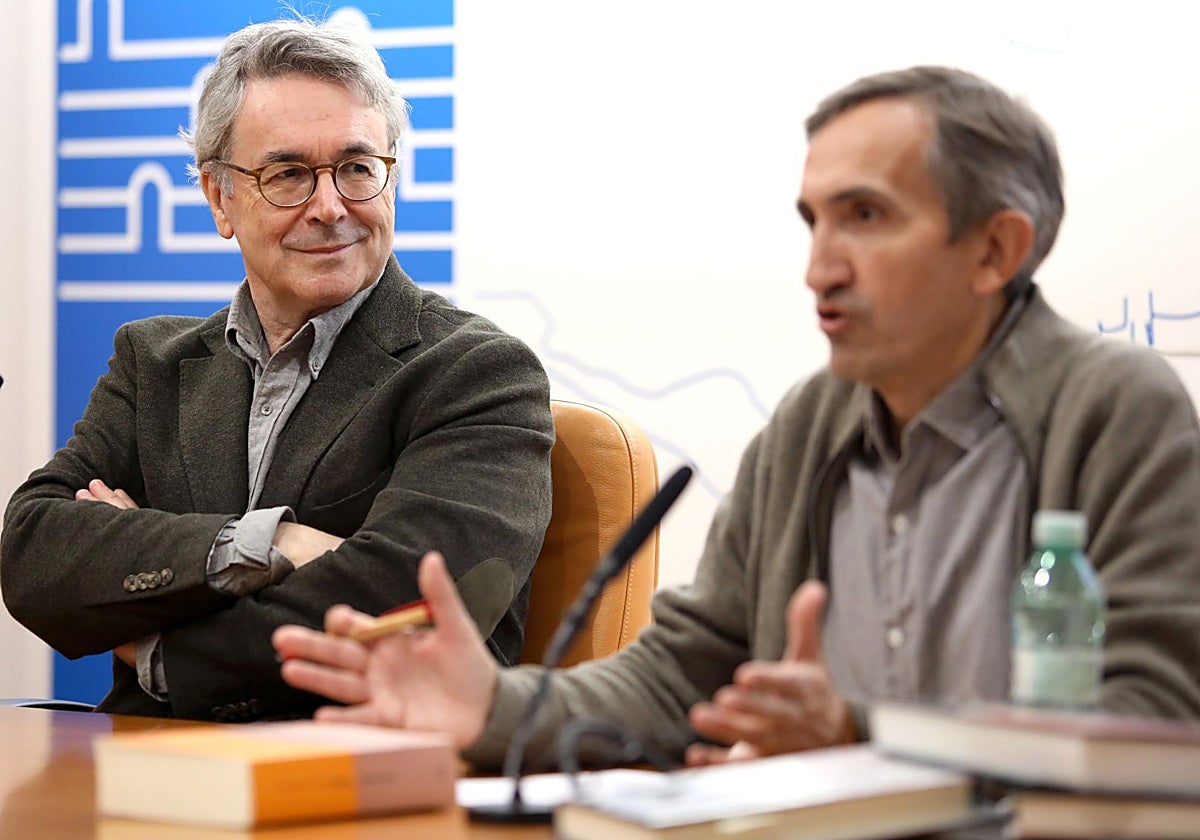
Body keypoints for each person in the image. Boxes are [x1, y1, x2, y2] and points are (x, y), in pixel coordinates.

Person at [271, 65, 1200, 770]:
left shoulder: (1113, 409)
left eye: (866, 217)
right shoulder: (812, 423)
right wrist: (495, 710)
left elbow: (1159, 717)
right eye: (814, 222)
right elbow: (684, 670)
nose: (820, 267)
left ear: (996, 248)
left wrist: (860, 735)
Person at [0, 16, 554, 721]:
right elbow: (35, 553)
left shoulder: (479, 373)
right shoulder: (153, 363)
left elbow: (412, 608)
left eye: (357, 167)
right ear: (217, 198)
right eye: (289, 173)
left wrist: (160, 649)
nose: (330, 207)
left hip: (363, 787)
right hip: (151, 786)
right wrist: (272, 542)